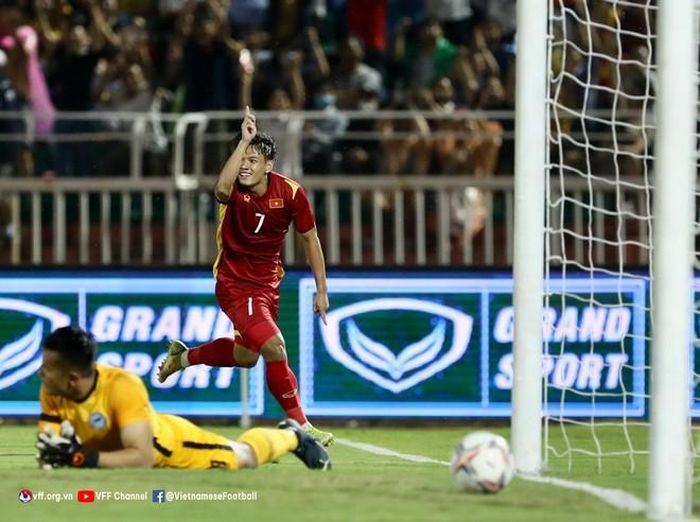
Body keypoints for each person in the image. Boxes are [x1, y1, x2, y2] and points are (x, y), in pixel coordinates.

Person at [157, 106, 334, 446]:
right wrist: (244, 141)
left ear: (269, 166)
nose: (246, 165)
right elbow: (220, 189)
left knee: (246, 356)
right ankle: (301, 425)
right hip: (235, 284)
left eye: (254, 160)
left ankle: (184, 356)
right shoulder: (233, 191)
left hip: (268, 286)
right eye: (243, 159)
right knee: (275, 346)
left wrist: (321, 289)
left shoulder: (292, 194)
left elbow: (310, 239)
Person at [36, 326, 331, 471]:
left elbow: (143, 457)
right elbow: (48, 447)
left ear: (72, 377)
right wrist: (57, 453)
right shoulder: (54, 390)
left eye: (47, 369)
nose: (41, 374)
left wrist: (84, 457)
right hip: (137, 438)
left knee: (244, 457)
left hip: (171, 445)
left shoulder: (122, 385)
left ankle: (291, 435)